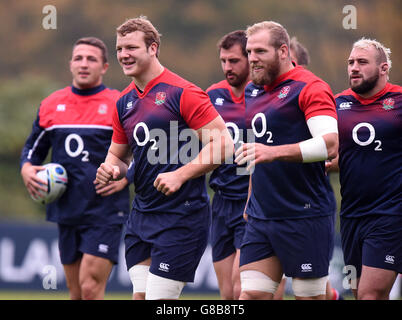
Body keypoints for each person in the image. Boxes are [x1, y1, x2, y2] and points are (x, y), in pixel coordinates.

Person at [95, 16, 233, 300]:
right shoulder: (124, 102)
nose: (123, 54)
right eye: (119, 48)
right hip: (141, 216)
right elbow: (118, 155)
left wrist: (180, 174)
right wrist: (110, 169)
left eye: (131, 47)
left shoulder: (184, 92)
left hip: (182, 216)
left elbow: (224, 144)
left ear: (153, 48)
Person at [234, 21, 339, 300]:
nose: (252, 58)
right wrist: (250, 198)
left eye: (259, 51)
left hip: (305, 214)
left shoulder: (311, 87)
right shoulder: (252, 91)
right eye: (249, 51)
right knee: (250, 294)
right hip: (261, 214)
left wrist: (273, 151)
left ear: (283, 51)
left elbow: (329, 144)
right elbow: (255, 153)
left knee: (309, 296)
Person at [20, 37, 130, 300]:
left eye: (91, 59)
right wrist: (26, 168)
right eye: (78, 58)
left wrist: (127, 178)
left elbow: (141, 152)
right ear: (70, 64)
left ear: (104, 67)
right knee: (77, 292)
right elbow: (32, 152)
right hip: (66, 208)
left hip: (105, 208)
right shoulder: (51, 105)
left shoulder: (119, 103)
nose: (84, 64)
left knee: (91, 287)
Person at [332, 38, 401, 299]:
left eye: (362, 62)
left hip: (390, 215)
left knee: (370, 294)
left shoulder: (398, 100)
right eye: (351, 62)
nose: (354, 68)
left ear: (383, 68)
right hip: (351, 215)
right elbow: (342, 156)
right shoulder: (337, 104)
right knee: (360, 293)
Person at [274, 35, 342, 301]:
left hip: (305, 207)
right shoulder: (261, 98)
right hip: (268, 207)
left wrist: (324, 162)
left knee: (308, 288)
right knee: (256, 288)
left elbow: (335, 149)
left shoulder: (312, 94)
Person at [206, 30, 250, 300]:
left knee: (241, 288)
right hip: (221, 203)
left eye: (234, 61)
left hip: (252, 201)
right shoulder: (212, 94)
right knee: (227, 295)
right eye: (223, 61)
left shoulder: (264, 96)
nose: (227, 67)